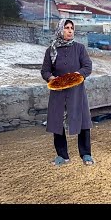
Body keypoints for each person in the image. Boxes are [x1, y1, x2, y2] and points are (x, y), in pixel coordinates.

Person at [41, 19, 94, 166]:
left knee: (83, 121)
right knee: (57, 122)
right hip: (58, 92)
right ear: (60, 30)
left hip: (76, 91)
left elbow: (87, 66)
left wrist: (76, 76)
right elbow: (45, 70)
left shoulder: (80, 48)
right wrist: (52, 78)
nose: (70, 30)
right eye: (66, 28)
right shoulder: (51, 50)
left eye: (72, 28)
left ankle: (86, 154)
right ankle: (62, 155)